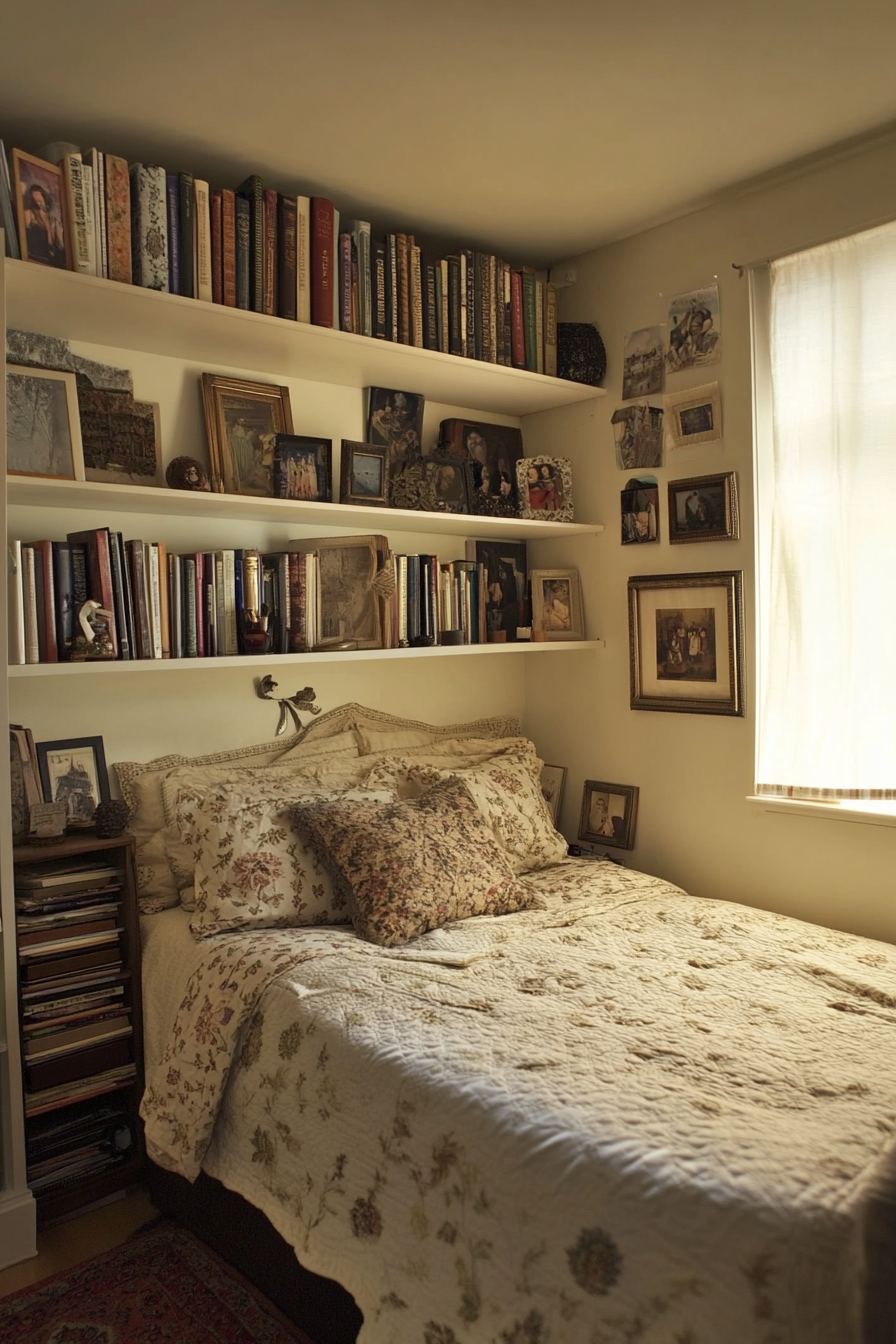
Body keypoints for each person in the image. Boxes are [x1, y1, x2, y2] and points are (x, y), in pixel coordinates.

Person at [22, 181, 66, 267]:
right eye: (34, 195)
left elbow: (56, 225)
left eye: (37, 194)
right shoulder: (33, 210)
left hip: (56, 240)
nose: (36, 197)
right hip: (43, 241)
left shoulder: (51, 209)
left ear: (42, 193)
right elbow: (28, 225)